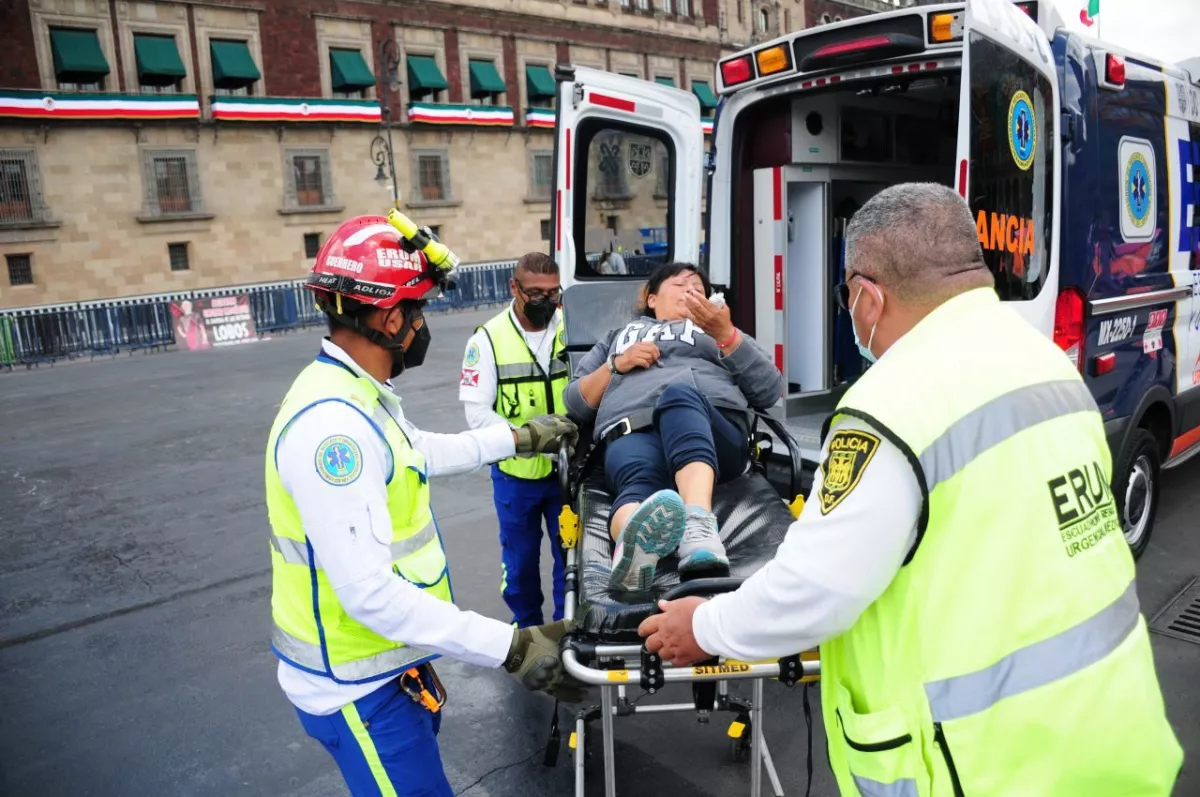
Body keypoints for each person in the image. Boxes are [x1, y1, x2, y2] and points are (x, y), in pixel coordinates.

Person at [639, 184, 1183, 796]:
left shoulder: (891, 406)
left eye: (847, 295)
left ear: (868, 297)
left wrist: (705, 626)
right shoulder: (1049, 364)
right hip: (1113, 737)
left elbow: (814, 591)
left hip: (986, 767)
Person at [264, 215, 584, 797]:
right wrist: (511, 648)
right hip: (357, 689)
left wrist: (518, 437)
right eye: (418, 311)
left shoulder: (357, 393)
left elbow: (418, 451)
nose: (420, 324)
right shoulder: (333, 429)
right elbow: (369, 595)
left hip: (387, 667)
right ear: (390, 318)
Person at [563, 262, 783, 592]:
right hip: (633, 428)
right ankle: (631, 544)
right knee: (635, 484)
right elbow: (575, 403)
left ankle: (698, 529)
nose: (691, 290)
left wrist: (725, 334)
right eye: (680, 284)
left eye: (698, 287)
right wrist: (616, 364)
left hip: (710, 431)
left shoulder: (721, 334)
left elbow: (769, 390)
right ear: (651, 298)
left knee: (678, 395)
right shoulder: (618, 337)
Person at [460, 252, 569, 628]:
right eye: (535, 292)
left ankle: (561, 632)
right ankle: (526, 630)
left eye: (553, 292)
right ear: (514, 288)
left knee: (570, 559)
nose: (546, 300)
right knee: (520, 563)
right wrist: (526, 439)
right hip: (514, 475)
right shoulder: (488, 339)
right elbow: (476, 413)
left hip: (568, 472)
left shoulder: (572, 328)